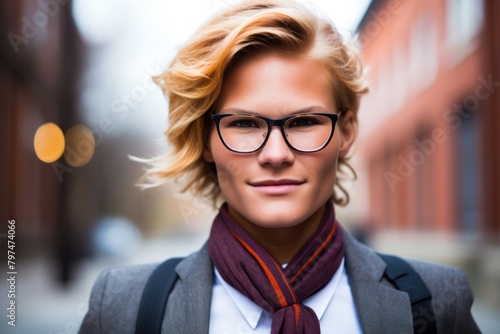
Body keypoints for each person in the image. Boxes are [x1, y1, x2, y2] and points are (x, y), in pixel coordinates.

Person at [79, 0, 480, 333]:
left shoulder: (436, 301)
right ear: (205, 139)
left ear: (348, 132)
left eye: (304, 122)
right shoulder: (122, 307)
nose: (275, 154)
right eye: (244, 123)